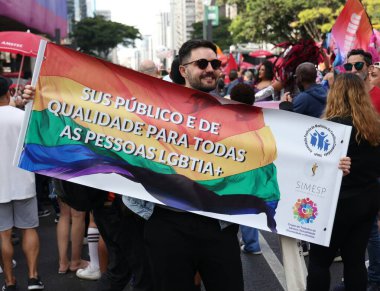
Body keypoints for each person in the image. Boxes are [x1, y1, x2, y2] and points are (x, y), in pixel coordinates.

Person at [127, 39, 244, 291]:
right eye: (202, 63)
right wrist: (33, 99)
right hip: (168, 224)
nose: (210, 69)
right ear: (183, 70)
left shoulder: (235, 116)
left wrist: (330, 166)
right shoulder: (153, 111)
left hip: (217, 225)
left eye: (215, 63)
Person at [306, 73, 380, 291]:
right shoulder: (374, 128)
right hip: (366, 201)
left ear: (335, 94)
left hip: (335, 203)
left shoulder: (330, 128)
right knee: (355, 260)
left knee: (320, 261)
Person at [0, 76, 44, 290]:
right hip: (24, 180)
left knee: (4, 234)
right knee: (29, 229)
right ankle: (33, 278)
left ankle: (9, 281)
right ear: (8, 92)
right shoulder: (22, 117)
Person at [344, 49, 380, 113]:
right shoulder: (342, 94)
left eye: (358, 65)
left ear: (370, 68)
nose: (353, 70)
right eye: (349, 66)